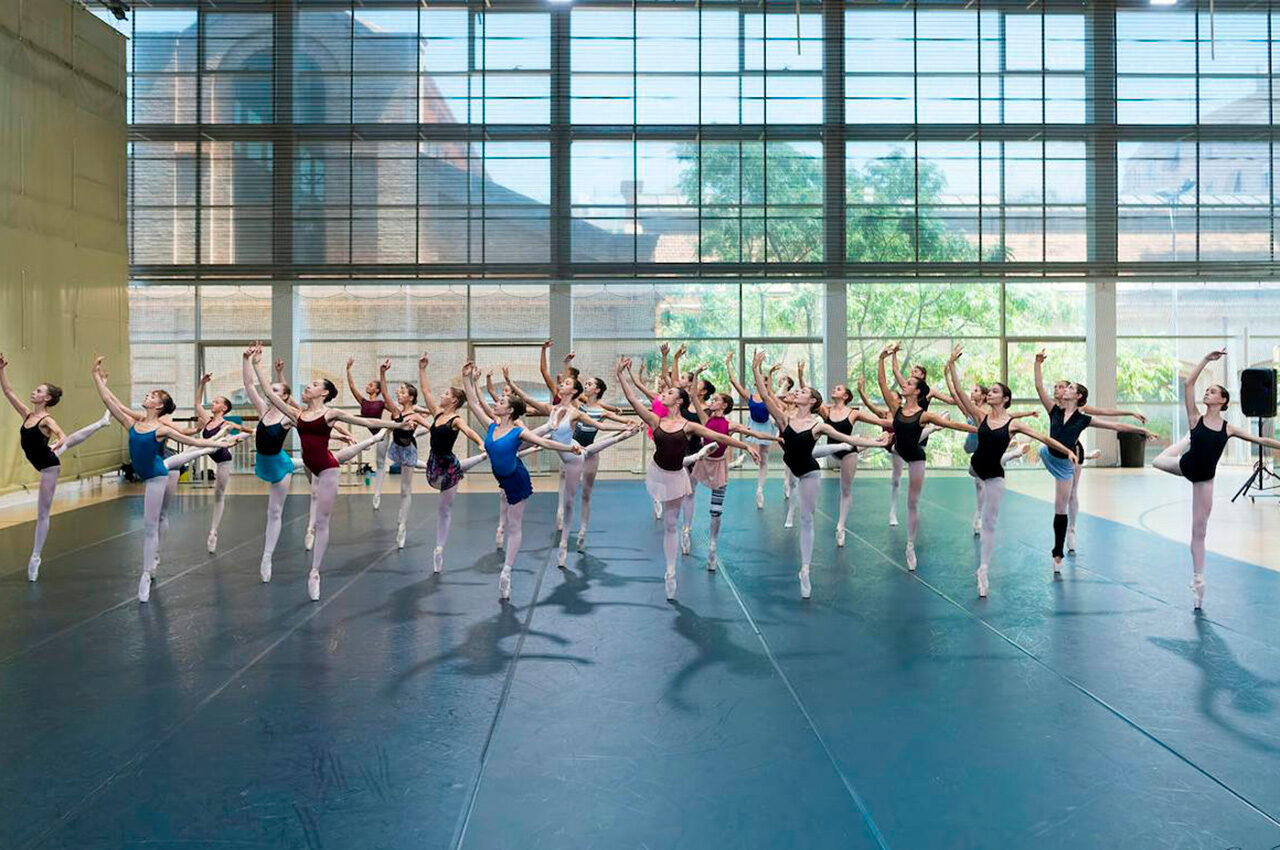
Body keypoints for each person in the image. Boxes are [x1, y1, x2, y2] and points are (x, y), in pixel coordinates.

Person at [254, 356, 412, 601]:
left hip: (327, 469)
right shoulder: (296, 413)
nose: (308, 386)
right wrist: (256, 364)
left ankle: (315, 572)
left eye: (314, 384)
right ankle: (268, 556)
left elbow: (365, 420)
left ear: (324, 393)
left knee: (322, 522)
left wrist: (396, 426)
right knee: (321, 482)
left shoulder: (331, 413)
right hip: (309, 463)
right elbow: (267, 391)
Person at [92, 356, 245, 602]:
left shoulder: (162, 428)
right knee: (174, 469)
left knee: (150, 526)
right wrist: (96, 377)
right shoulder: (131, 422)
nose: (148, 396)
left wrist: (219, 442)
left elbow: (193, 441)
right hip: (155, 466)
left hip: (156, 475)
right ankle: (151, 560)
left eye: (153, 396)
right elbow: (109, 401)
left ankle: (146, 572)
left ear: (159, 406)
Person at [616, 357, 760, 601]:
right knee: (668, 517)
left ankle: (670, 571)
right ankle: (672, 562)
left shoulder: (688, 426)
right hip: (657, 471)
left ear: (679, 400)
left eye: (670, 392)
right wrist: (621, 375)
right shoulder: (655, 419)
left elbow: (719, 436)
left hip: (676, 475)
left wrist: (745, 446)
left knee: (671, 523)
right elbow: (632, 400)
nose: (664, 393)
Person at [1151, 350, 1280, 609]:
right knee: (1156, 460)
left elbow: (1261, 440)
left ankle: (1199, 581)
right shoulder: (1195, 418)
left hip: (1204, 481)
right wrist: (1206, 361)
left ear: (1222, 401)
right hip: (1184, 466)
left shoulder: (1228, 428)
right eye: (1207, 391)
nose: (1207, 393)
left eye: (1212, 391)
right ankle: (1185, 441)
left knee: (1199, 531)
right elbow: (1188, 384)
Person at [754, 351, 887, 597]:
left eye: (804, 392)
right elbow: (765, 396)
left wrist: (878, 444)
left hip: (809, 472)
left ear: (812, 401)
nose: (799, 392)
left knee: (807, 518)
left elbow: (851, 437)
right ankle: (833, 450)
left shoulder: (819, 424)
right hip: (794, 461)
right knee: (818, 456)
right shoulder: (784, 419)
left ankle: (805, 570)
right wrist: (755, 368)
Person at [943, 348, 1072, 597]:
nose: (988, 394)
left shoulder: (1014, 423)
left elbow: (1043, 436)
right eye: (988, 391)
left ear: (1004, 398)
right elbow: (959, 393)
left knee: (990, 523)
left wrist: (1067, 450)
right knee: (975, 469)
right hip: (975, 465)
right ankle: (1011, 455)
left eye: (993, 391)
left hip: (993, 474)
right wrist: (952, 365)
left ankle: (983, 570)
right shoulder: (980, 415)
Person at [461, 362, 583, 601]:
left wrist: (569, 447)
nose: (497, 403)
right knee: (506, 513)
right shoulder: (491, 426)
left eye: (501, 403)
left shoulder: (518, 432)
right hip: (503, 479)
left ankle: (507, 571)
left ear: (510, 411)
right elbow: (474, 403)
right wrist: (467, 379)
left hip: (517, 479)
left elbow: (546, 443)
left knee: (514, 526)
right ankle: (502, 541)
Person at [1033, 351, 1155, 576]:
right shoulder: (1054, 411)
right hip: (1049, 453)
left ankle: (1058, 550)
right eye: (1065, 387)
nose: (1066, 389)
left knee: (1061, 506)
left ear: (1078, 396)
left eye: (1070, 388)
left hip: (1064, 464)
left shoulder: (1083, 418)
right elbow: (1039, 387)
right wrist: (1037, 363)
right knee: (1042, 448)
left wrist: (1141, 429)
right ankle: (1083, 457)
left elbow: (1115, 426)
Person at [506, 362, 638, 566]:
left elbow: (601, 424)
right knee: (535, 440)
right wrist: (510, 382)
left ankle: (565, 544)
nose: (561, 384)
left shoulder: (576, 412)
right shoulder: (552, 409)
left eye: (566, 383)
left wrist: (624, 425)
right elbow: (527, 399)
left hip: (574, 458)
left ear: (573, 391)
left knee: (570, 501)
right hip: (569, 449)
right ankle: (621, 436)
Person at [0, 354, 113, 581]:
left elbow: (61, 434)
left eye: (39, 391)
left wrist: (59, 442)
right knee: (69, 441)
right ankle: (102, 422)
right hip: (44, 455)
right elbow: (9, 392)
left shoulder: (46, 420)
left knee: (42, 513)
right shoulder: (28, 414)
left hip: (49, 466)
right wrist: (2, 370)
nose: (34, 392)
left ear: (47, 398)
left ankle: (35, 557)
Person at [877, 344, 975, 571]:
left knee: (912, 502)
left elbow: (953, 424)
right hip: (899, 449)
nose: (905, 383)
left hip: (917, 456)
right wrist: (882, 358)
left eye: (910, 383)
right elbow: (883, 383)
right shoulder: (896, 407)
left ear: (918, 391)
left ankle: (910, 545)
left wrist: (980, 430)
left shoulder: (924, 414)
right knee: (896, 468)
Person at [685, 379, 781, 570]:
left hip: (719, 467)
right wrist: (695, 374)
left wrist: (776, 437)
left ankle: (712, 545)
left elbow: (755, 434)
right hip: (703, 463)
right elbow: (694, 395)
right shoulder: (706, 420)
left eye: (716, 399)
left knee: (716, 509)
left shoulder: (730, 425)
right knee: (689, 493)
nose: (712, 401)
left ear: (725, 405)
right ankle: (686, 531)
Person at [411, 352, 485, 573]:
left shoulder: (456, 419)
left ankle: (439, 549)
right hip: (434, 463)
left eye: (445, 393)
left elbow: (469, 431)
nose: (440, 395)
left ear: (453, 400)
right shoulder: (437, 414)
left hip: (449, 466)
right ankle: (479, 458)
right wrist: (422, 368)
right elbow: (425, 391)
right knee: (442, 501)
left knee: (444, 509)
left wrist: (480, 441)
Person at [815, 382, 890, 547]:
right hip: (832, 449)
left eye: (839, 388)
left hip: (848, 452)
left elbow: (880, 421)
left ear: (846, 396)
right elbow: (813, 400)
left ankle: (840, 526)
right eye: (835, 387)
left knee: (846, 489)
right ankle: (872, 441)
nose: (834, 388)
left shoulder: (853, 413)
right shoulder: (826, 410)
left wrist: (905, 424)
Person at [378, 359, 433, 550]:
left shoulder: (415, 416)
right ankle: (426, 464)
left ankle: (402, 525)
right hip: (396, 448)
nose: (398, 394)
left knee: (405, 489)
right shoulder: (395, 412)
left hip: (409, 450)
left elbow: (434, 429)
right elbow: (384, 394)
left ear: (410, 397)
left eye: (402, 392)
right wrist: (383, 373)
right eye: (398, 391)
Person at [193, 372, 250, 554]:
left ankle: (213, 532)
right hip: (209, 451)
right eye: (214, 402)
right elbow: (197, 403)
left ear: (224, 408)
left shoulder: (226, 423)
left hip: (224, 459)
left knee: (219, 494)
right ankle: (213, 532)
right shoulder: (207, 420)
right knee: (216, 494)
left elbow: (242, 431)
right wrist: (202, 384)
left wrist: (240, 434)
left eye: (217, 402)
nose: (213, 404)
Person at [724, 351, 777, 510]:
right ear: (756, 383)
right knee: (755, 455)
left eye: (765, 380)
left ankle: (760, 488)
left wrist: (768, 373)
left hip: (766, 426)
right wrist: (728, 364)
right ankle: (739, 460)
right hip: (753, 425)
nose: (762, 382)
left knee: (764, 458)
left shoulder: (770, 396)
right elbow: (733, 381)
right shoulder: (750, 396)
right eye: (760, 380)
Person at [346, 357, 390, 510]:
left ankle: (377, 494)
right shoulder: (363, 402)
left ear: (377, 390)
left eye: (371, 385)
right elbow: (352, 387)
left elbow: (398, 411)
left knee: (380, 463)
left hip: (383, 432)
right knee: (380, 461)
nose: (368, 386)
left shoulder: (382, 403)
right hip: (374, 433)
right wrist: (348, 370)